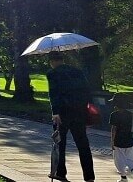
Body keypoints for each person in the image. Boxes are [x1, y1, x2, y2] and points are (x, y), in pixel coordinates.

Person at [46, 51, 95, 182]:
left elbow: (54, 93)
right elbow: (87, 91)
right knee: (83, 144)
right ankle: (89, 176)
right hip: (79, 112)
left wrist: (55, 112)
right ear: (62, 59)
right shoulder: (77, 72)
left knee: (60, 144)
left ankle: (60, 172)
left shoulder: (52, 74)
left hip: (62, 113)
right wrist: (87, 108)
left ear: (52, 61)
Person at [109, 93, 133, 182]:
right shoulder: (129, 114)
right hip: (129, 140)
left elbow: (114, 129)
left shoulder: (114, 115)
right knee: (129, 159)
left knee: (119, 160)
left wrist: (112, 141)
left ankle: (123, 178)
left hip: (118, 141)